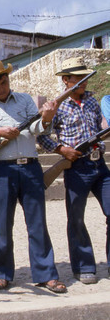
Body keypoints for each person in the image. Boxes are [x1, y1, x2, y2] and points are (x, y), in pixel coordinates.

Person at [0, 60, 66, 293]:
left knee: (38, 223)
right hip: (1, 170)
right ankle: (1, 273)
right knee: (2, 225)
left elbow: (36, 128)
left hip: (30, 168)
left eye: (4, 81)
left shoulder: (24, 100)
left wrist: (47, 119)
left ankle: (47, 275)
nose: (2, 87)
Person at [37, 57, 110, 285]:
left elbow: (100, 127)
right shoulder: (55, 107)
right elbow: (41, 136)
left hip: (100, 164)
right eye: (78, 77)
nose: (83, 82)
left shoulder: (92, 102)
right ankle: (84, 266)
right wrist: (62, 150)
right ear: (66, 80)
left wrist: (102, 141)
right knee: (76, 219)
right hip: (75, 167)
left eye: (84, 77)